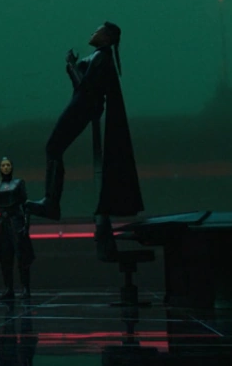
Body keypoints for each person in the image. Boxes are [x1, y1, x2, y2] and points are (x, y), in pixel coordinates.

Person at [25, 22, 144, 257]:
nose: (93, 33)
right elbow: (82, 85)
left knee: (53, 147)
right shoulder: (99, 57)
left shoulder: (101, 58)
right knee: (53, 148)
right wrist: (73, 66)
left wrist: (71, 64)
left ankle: (51, 202)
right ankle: (50, 202)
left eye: (98, 30)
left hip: (82, 107)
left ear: (106, 37)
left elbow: (85, 88)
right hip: (81, 105)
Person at [0, 157, 32, 300]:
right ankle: (9, 288)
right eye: (3, 165)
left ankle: (25, 288)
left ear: (11, 167)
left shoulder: (18, 183)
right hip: (2, 225)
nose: (6, 167)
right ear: (0, 168)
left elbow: (25, 206)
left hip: (16, 223)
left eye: (8, 165)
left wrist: (26, 225)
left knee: (21, 257)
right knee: (5, 258)